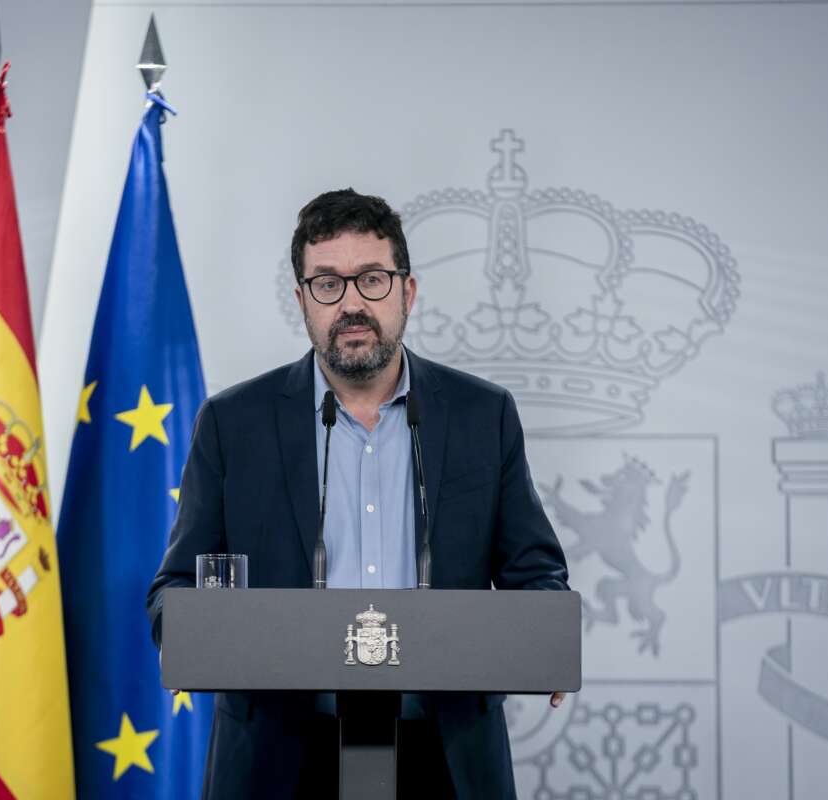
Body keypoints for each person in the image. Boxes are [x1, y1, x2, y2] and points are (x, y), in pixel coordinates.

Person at [147, 188, 570, 798]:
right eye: (327, 284)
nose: (351, 303)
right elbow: (175, 588)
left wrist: (545, 640)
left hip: (443, 754)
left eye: (372, 279)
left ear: (407, 291)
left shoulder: (483, 415)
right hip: (281, 758)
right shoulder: (232, 422)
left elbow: (535, 572)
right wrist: (194, 636)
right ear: (302, 301)